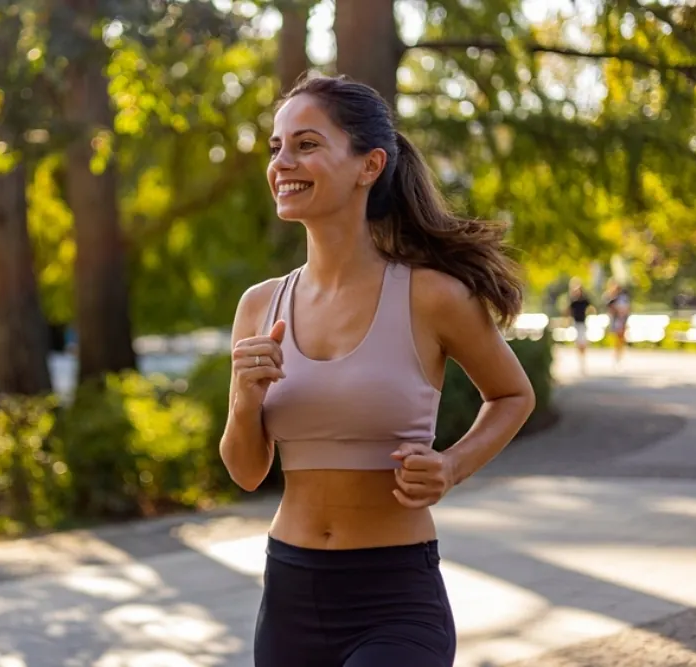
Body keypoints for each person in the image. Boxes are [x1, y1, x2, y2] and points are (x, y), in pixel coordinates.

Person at [219, 75, 536, 667]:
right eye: (275, 146)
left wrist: (451, 466)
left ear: (369, 165)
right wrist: (243, 402)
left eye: (306, 144)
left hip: (394, 596)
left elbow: (513, 395)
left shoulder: (431, 297)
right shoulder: (260, 306)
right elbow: (245, 471)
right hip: (290, 592)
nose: (282, 162)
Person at [566, 278, 593, 374]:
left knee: (583, 342)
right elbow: (568, 311)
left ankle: (583, 359)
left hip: (583, 322)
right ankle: (580, 360)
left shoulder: (584, 300)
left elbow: (591, 307)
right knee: (578, 342)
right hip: (576, 323)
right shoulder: (573, 300)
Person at [605, 279, 631, 367]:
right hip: (615, 320)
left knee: (621, 338)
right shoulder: (610, 297)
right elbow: (609, 308)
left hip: (622, 320)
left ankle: (620, 356)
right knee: (617, 338)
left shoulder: (623, 297)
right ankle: (617, 355)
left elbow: (627, 308)